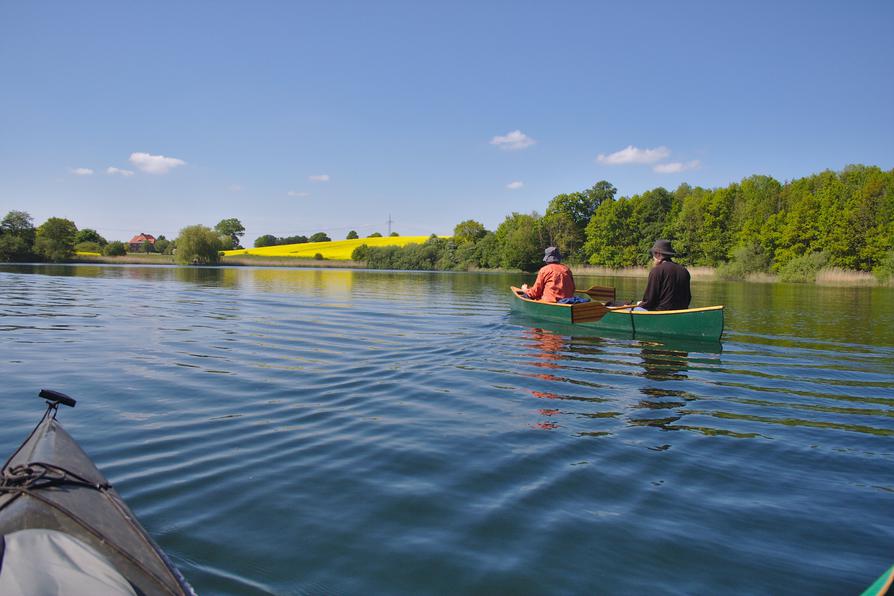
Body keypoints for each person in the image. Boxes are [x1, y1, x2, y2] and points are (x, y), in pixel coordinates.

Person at [636, 239, 691, 310]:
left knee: (631, 309)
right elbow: (688, 298)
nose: (653, 257)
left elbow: (649, 300)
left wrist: (641, 304)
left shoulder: (656, 271)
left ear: (658, 254)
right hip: (681, 311)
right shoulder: (684, 270)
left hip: (661, 312)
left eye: (653, 255)